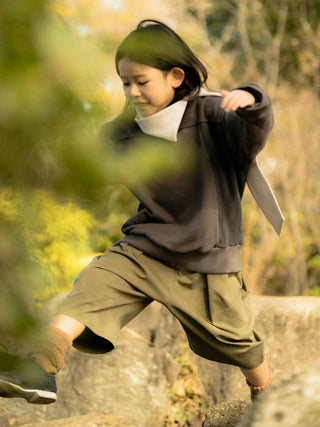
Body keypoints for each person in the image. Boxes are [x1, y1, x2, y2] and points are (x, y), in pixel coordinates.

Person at [0, 19, 283, 407]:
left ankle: (268, 396)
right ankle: (42, 368)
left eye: (141, 81)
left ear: (175, 76)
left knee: (239, 342)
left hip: (206, 258)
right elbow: (80, 173)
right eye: (124, 82)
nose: (132, 91)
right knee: (92, 287)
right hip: (146, 247)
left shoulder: (211, 115)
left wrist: (252, 102)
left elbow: (253, 135)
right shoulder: (124, 132)